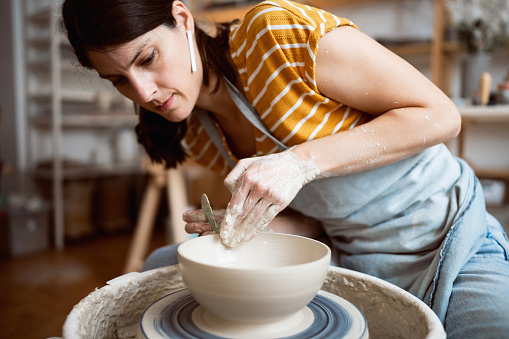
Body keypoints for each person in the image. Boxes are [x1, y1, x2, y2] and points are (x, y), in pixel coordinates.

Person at [62, 0, 509, 337]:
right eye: (118, 80)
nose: (143, 92)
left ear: (181, 18)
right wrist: (244, 223)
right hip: (356, 258)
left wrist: (298, 162)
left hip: (451, 239)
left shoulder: (272, 36)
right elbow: (316, 220)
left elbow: (441, 115)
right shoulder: (195, 131)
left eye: (147, 59)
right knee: (164, 265)